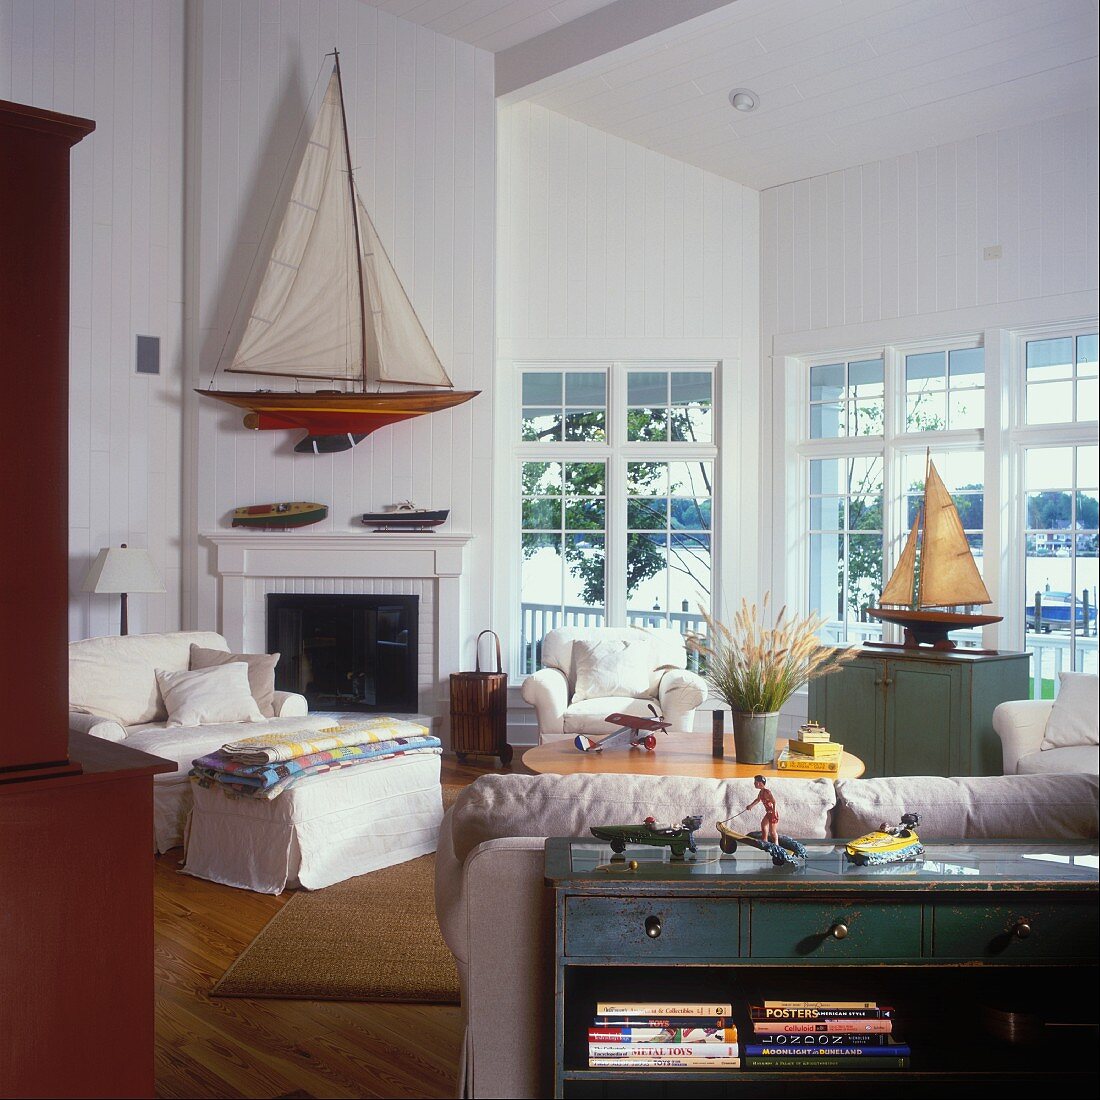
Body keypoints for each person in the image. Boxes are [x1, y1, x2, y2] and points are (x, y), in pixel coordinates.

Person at [746, 774, 779, 845]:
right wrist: (751, 806)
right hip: (768, 813)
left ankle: (776, 844)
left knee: (772, 831)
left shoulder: (767, 792)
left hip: (773, 813)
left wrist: (774, 813)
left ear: (760, 783)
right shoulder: (761, 792)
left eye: (755, 782)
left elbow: (774, 802)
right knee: (763, 824)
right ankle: (765, 840)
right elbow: (758, 800)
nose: (754, 783)